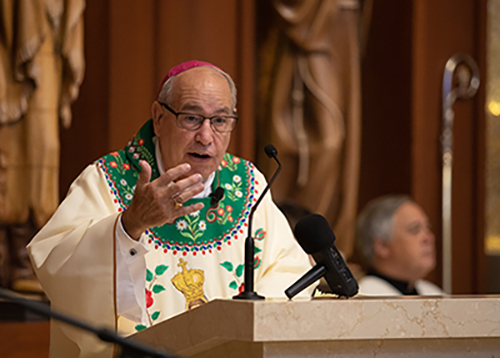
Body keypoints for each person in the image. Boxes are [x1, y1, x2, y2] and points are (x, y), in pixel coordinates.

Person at [27, 60, 312, 358]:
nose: (206, 136)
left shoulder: (249, 184)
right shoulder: (107, 179)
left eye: (220, 121)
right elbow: (57, 264)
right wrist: (129, 225)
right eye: (191, 118)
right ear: (159, 117)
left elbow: (288, 271)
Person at [355, 195, 444, 296]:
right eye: (414, 230)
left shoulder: (433, 292)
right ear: (382, 246)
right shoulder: (364, 299)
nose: (428, 237)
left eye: (427, 228)